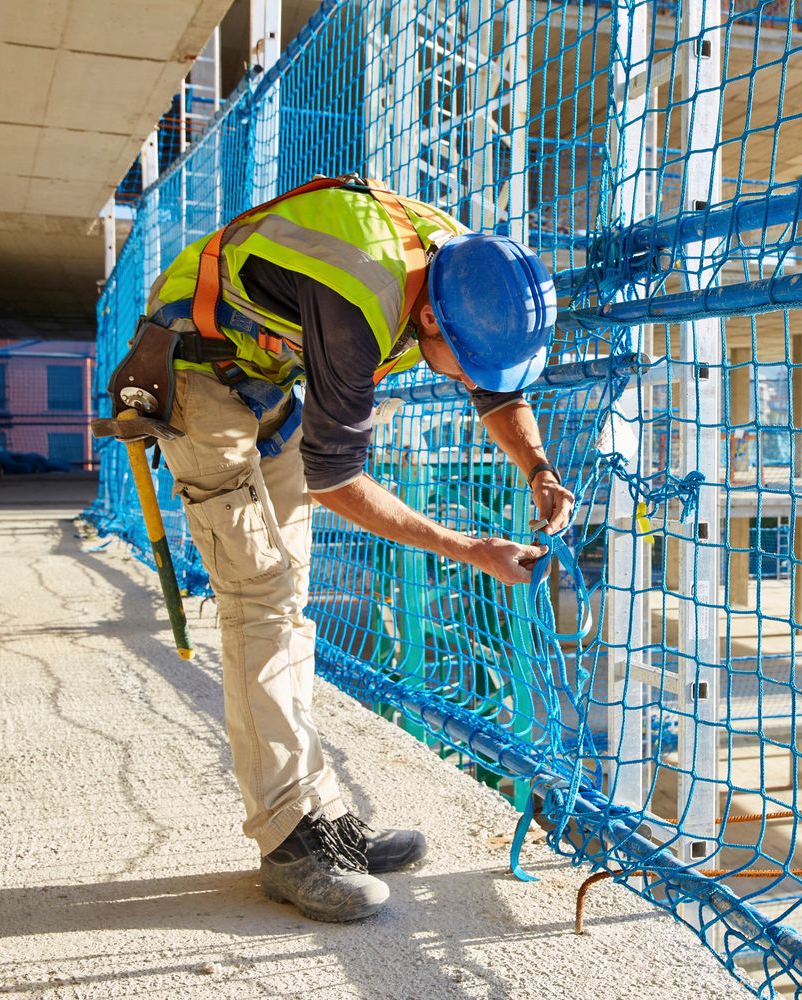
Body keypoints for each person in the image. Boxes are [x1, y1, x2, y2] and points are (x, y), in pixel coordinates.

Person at [109, 176, 574, 922]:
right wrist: (468, 547)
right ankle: (289, 842)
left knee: (286, 605)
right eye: (461, 363)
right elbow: (335, 480)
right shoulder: (362, 300)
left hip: (264, 376)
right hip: (196, 373)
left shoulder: (460, 268)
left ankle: (318, 813)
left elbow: (493, 389)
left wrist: (538, 469)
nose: (468, 385)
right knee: (260, 599)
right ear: (428, 317)